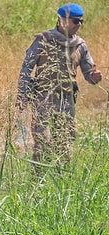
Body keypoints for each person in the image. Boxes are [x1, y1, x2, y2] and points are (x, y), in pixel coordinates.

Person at [16, 3, 102, 172]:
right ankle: (38, 182)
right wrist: (23, 94)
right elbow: (26, 68)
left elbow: (89, 74)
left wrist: (95, 77)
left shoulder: (80, 45)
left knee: (65, 143)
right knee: (42, 142)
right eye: (75, 21)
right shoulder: (43, 40)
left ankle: (62, 181)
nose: (79, 25)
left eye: (81, 21)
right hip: (43, 98)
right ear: (62, 20)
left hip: (66, 100)